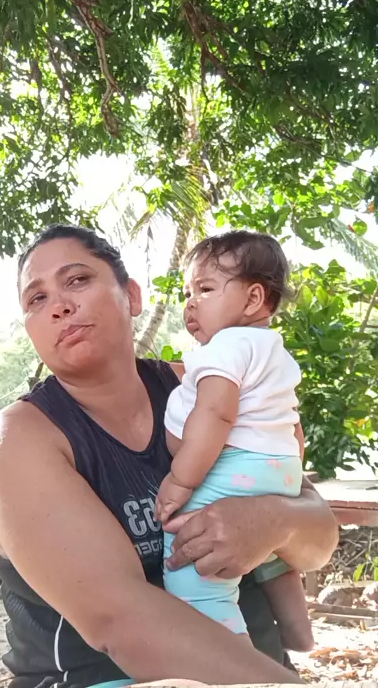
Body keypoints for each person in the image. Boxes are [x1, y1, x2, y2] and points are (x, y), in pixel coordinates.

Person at [0, 224, 338, 688]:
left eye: (77, 280)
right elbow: (119, 621)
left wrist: (274, 521)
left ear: (132, 296)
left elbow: (318, 540)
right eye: (36, 299)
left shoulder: (207, 387)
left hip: (258, 666)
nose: (59, 306)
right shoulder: (22, 437)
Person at [155, 231, 313, 652]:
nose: (191, 303)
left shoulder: (225, 347)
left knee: (192, 566)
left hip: (234, 468)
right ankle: (297, 630)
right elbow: (291, 423)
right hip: (276, 468)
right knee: (267, 550)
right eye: (188, 293)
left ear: (253, 298)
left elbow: (216, 414)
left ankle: (230, 655)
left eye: (205, 289)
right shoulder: (273, 349)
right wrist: (291, 473)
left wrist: (181, 481)